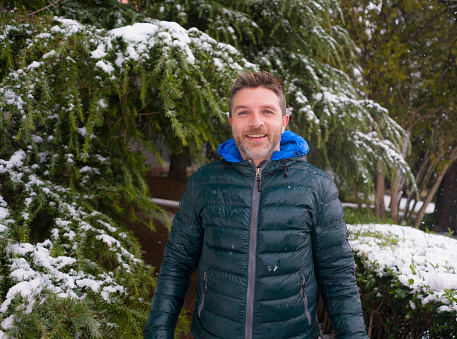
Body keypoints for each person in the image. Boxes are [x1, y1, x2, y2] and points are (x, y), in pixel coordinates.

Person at [144, 71, 368, 338]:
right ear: (231, 121)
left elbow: (338, 276)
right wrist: (158, 331)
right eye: (243, 112)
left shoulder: (317, 187)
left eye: (267, 112)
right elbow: (177, 264)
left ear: (284, 122)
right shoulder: (204, 184)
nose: (256, 122)